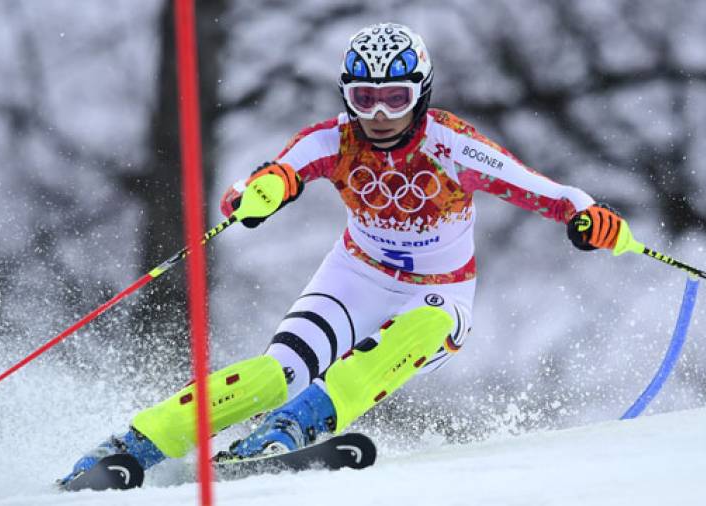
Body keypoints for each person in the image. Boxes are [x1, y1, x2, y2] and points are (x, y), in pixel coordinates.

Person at [59, 22, 624, 486]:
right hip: (353, 278)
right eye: (365, 98)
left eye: (396, 98)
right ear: (347, 97)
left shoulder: (452, 145)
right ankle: (137, 442)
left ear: (420, 95)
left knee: (420, 330)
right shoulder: (333, 140)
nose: (380, 114)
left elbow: (541, 189)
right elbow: (274, 176)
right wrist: (258, 197)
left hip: (440, 290)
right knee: (276, 372)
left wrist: (586, 216)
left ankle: (290, 429)